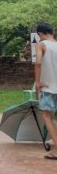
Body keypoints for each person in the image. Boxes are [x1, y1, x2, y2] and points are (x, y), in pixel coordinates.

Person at [34, 22, 57, 159]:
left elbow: (38, 63)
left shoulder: (42, 45)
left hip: (47, 87)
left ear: (40, 34)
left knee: (47, 116)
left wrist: (37, 82)